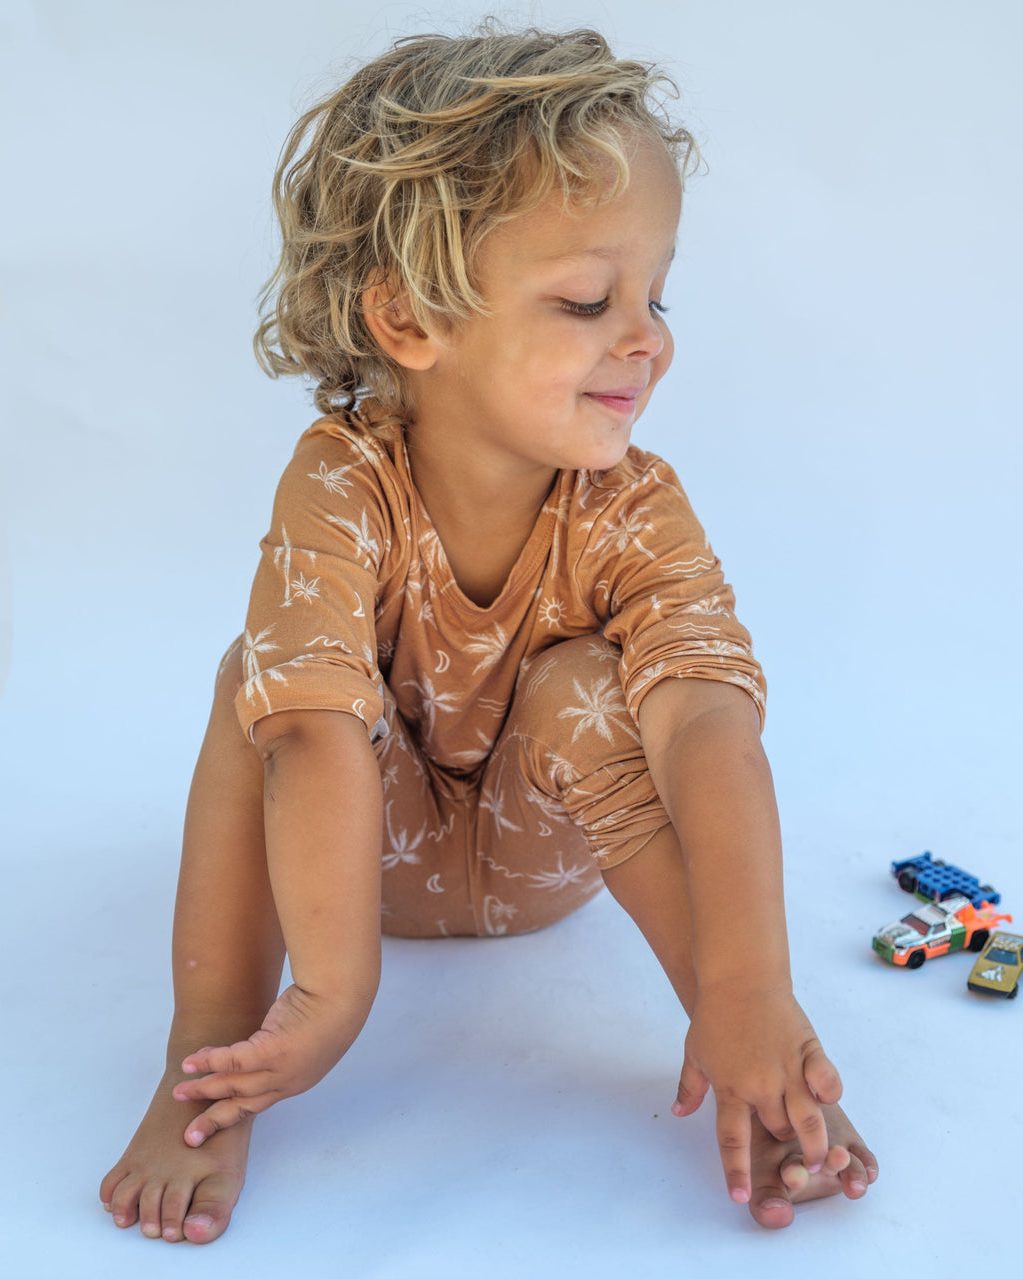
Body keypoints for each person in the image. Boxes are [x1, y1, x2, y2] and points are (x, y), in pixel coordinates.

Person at [100, 25, 878, 1245]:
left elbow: (711, 726)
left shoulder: (633, 506)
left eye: (654, 293)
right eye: (586, 298)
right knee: (255, 681)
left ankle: (752, 1061)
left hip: (550, 857)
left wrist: (749, 991)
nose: (649, 336)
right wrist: (332, 995)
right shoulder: (342, 477)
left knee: (590, 684)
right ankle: (211, 1073)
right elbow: (307, 734)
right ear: (409, 321)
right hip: (362, 871)